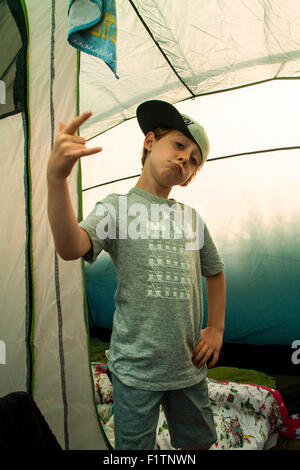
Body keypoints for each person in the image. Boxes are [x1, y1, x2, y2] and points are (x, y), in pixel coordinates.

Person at [47, 100, 226, 450]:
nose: (184, 159)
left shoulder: (192, 219)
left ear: (190, 177)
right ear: (149, 142)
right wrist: (57, 179)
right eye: (178, 145)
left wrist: (216, 328)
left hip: (188, 367)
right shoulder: (117, 208)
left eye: (193, 161)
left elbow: (215, 272)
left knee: (198, 444)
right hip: (134, 370)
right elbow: (70, 247)